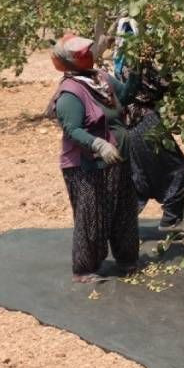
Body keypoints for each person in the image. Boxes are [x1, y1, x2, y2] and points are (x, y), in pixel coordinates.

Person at [45, 33, 140, 283]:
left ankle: (127, 260)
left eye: (88, 51)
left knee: (123, 211)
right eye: (81, 54)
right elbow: (73, 129)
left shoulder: (101, 78)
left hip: (117, 159)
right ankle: (85, 269)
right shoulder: (70, 92)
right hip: (87, 165)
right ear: (70, 61)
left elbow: (126, 96)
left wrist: (137, 73)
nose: (88, 55)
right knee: (92, 215)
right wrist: (99, 144)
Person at [113, 18, 184, 235]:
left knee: (140, 176)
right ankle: (171, 221)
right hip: (146, 121)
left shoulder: (120, 58)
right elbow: (164, 85)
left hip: (130, 123)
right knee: (176, 167)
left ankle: (120, 225)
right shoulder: (138, 63)